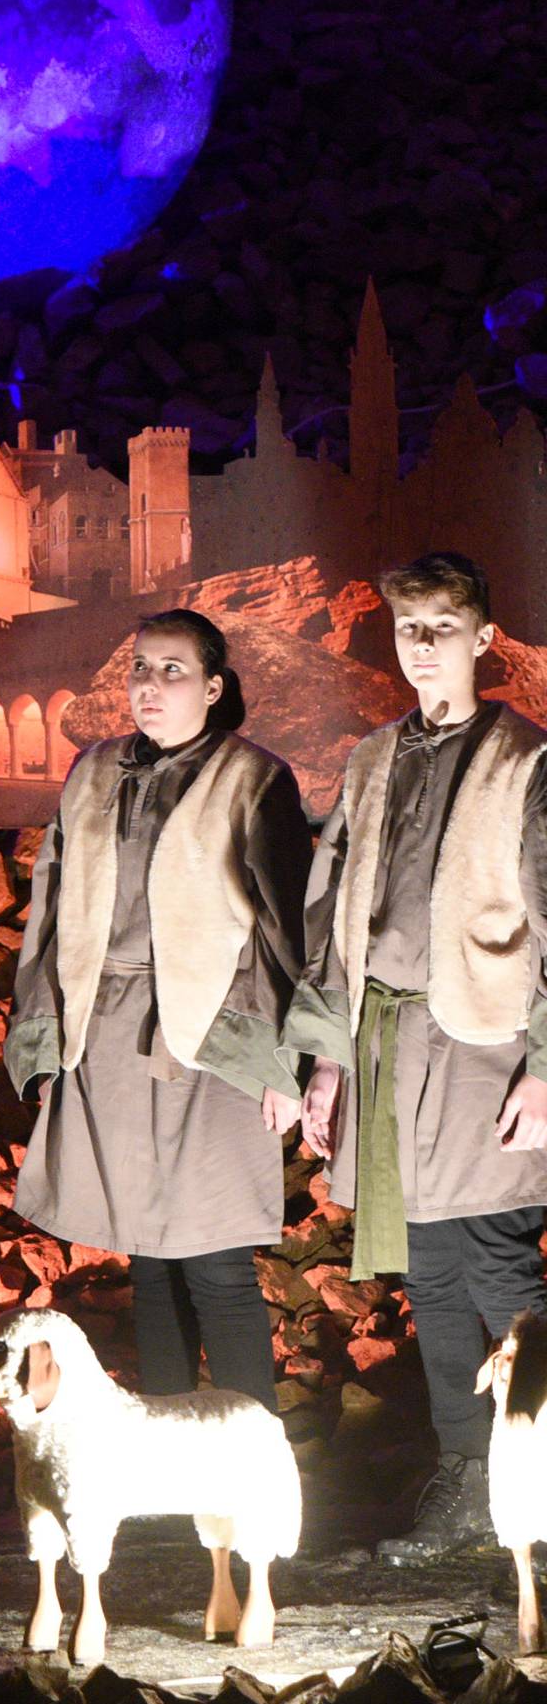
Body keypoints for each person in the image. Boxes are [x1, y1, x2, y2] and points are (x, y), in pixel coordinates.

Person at [285, 552, 547, 1563]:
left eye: (443, 626)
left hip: (485, 1045)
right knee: (431, 1273)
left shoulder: (526, 760)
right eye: (408, 629)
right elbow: (336, 916)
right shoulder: (371, 760)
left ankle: (535, 1478)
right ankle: (467, 1481)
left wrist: (542, 1067)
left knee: (499, 1266)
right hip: (389, 1042)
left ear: (485, 640)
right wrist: (328, 1060)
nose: (423, 646)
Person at [7, 609, 312, 1412]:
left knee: (213, 1257)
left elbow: (289, 931)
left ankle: (252, 1462)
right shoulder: (94, 770)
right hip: (105, 1036)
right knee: (147, 1256)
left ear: (214, 687)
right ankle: (173, 1459)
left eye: (173, 669)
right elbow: (50, 908)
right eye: (142, 667)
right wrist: (43, 1042)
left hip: (212, 1042)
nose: (151, 684)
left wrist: (286, 1064)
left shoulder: (255, 778)